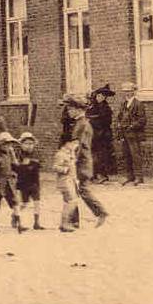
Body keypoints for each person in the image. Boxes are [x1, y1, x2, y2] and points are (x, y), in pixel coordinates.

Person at [67, 94, 109, 227]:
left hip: (81, 163)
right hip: (79, 162)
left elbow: (80, 145)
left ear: (79, 109)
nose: (69, 111)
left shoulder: (83, 124)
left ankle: (101, 212)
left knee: (81, 190)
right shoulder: (79, 123)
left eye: (71, 109)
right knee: (73, 190)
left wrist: (72, 160)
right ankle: (74, 221)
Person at [0, 132, 26, 234]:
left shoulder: (10, 156)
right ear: (0, 145)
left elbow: (16, 167)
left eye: (10, 144)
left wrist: (13, 157)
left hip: (9, 183)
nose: (9, 146)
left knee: (15, 202)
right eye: (6, 144)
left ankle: (19, 223)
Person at [116, 81, 147, 185]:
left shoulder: (138, 104)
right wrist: (119, 125)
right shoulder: (123, 104)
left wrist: (131, 126)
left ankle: (139, 177)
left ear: (134, 91)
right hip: (125, 134)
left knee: (135, 155)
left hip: (134, 134)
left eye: (129, 91)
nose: (127, 93)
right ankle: (129, 176)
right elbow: (119, 117)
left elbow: (142, 120)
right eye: (125, 92)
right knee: (126, 155)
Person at [87, 84, 115, 183]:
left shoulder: (106, 108)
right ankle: (93, 175)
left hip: (102, 135)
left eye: (102, 97)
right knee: (93, 155)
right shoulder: (93, 106)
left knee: (102, 155)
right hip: (93, 134)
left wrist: (92, 121)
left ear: (105, 98)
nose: (100, 98)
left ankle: (102, 175)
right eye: (98, 96)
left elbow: (106, 121)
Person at [15, 132, 44, 230]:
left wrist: (32, 163)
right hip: (22, 182)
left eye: (31, 144)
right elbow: (16, 167)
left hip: (34, 182)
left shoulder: (36, 154)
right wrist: (24, 165)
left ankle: (36, 223)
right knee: (24, 203)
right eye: (26, 143)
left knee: (37, 202)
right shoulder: (18, 155)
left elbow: (40, 164)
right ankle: (15, 216)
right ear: (21, 144)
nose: (29, 146)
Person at [53, 140, 80, 233]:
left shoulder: (70, 153)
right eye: (74, 143)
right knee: (72, 201)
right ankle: (64, 223)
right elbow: (55, 167)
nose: (76, 145)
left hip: (71, 181)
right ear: (66, 143)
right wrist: (65, 169)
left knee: (69, 201)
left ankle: (66, 223)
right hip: (64, 181)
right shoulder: (61, 154)